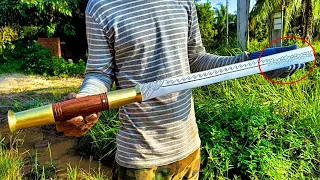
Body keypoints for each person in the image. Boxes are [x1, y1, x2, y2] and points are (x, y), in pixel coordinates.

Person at [56, 0, 304, 179]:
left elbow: (196, 59)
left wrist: (253, 61)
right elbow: (100, 73)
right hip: (140, 159)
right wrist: (86, 101)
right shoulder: (101, 7)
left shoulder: (183, 1)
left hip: (188, 148)